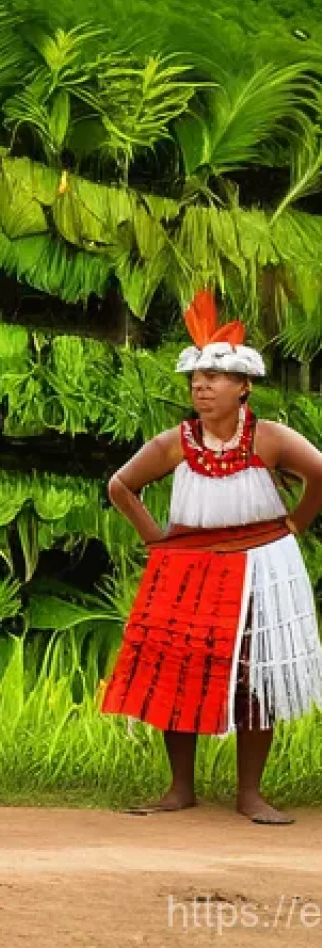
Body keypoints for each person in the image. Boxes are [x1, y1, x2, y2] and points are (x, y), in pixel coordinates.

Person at [101, 291, 322, 824]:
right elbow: (121, 486)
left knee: (254, 674)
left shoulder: (269, 439)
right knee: (178, 668)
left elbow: (319, 474)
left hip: (259, 565)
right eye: (196, 378)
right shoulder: (174, 443)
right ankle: (180, 787)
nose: (201, 386)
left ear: (243, 386)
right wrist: (157, 541)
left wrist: (295, 523)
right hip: (188, 568)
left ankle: (250, 793)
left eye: (215, 377)